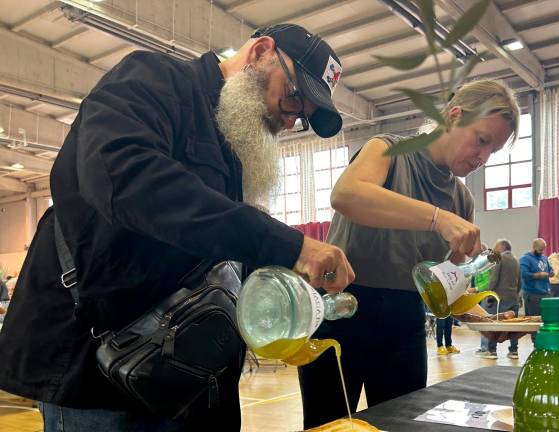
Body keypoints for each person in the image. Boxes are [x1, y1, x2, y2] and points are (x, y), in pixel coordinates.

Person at [0, 24, 356, 431]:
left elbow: (211, 248)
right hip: (101, 373)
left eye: (302, 117)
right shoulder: (154, 79)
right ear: (260, 52)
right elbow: (124, 177)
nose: (290, 121)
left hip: (190, 379)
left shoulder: (235, 144)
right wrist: (286, 243)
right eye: (294, 98)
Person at [297, 79, 522, 429]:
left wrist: (485, 323)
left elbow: (449, 285)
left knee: (401, 425)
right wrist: (437, 218)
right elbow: (347, 194)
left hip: (404, 322)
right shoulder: (387, 150)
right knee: (328, 425)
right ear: (453, 115)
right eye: (481, 140)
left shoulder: (462, 200)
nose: (483, 158)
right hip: (340, 311)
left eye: (493, 151)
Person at [476, 238, 521, 360]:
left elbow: (494, 279)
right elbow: (520, 282)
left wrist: (489, 294)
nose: (494, 249)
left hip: (500, 298)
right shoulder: (516, 260)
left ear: (502, 248)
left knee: (493, 325)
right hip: (513, 298)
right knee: (513, 326)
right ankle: (513, 351)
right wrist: (516, 295)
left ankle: (492, 351)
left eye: (496, 247)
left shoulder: (499, 259)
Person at [520, 239, 553, 317]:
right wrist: (538, 275)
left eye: (543, 250)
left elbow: (549, 269)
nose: (542, 252)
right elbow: (523, 274)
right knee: (534, 320)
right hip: (533, 295)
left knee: (546, 318)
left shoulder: (544, 258)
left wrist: (551, 272)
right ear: (534, 247)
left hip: (545, 293)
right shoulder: (525, 259)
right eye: (540, 250)